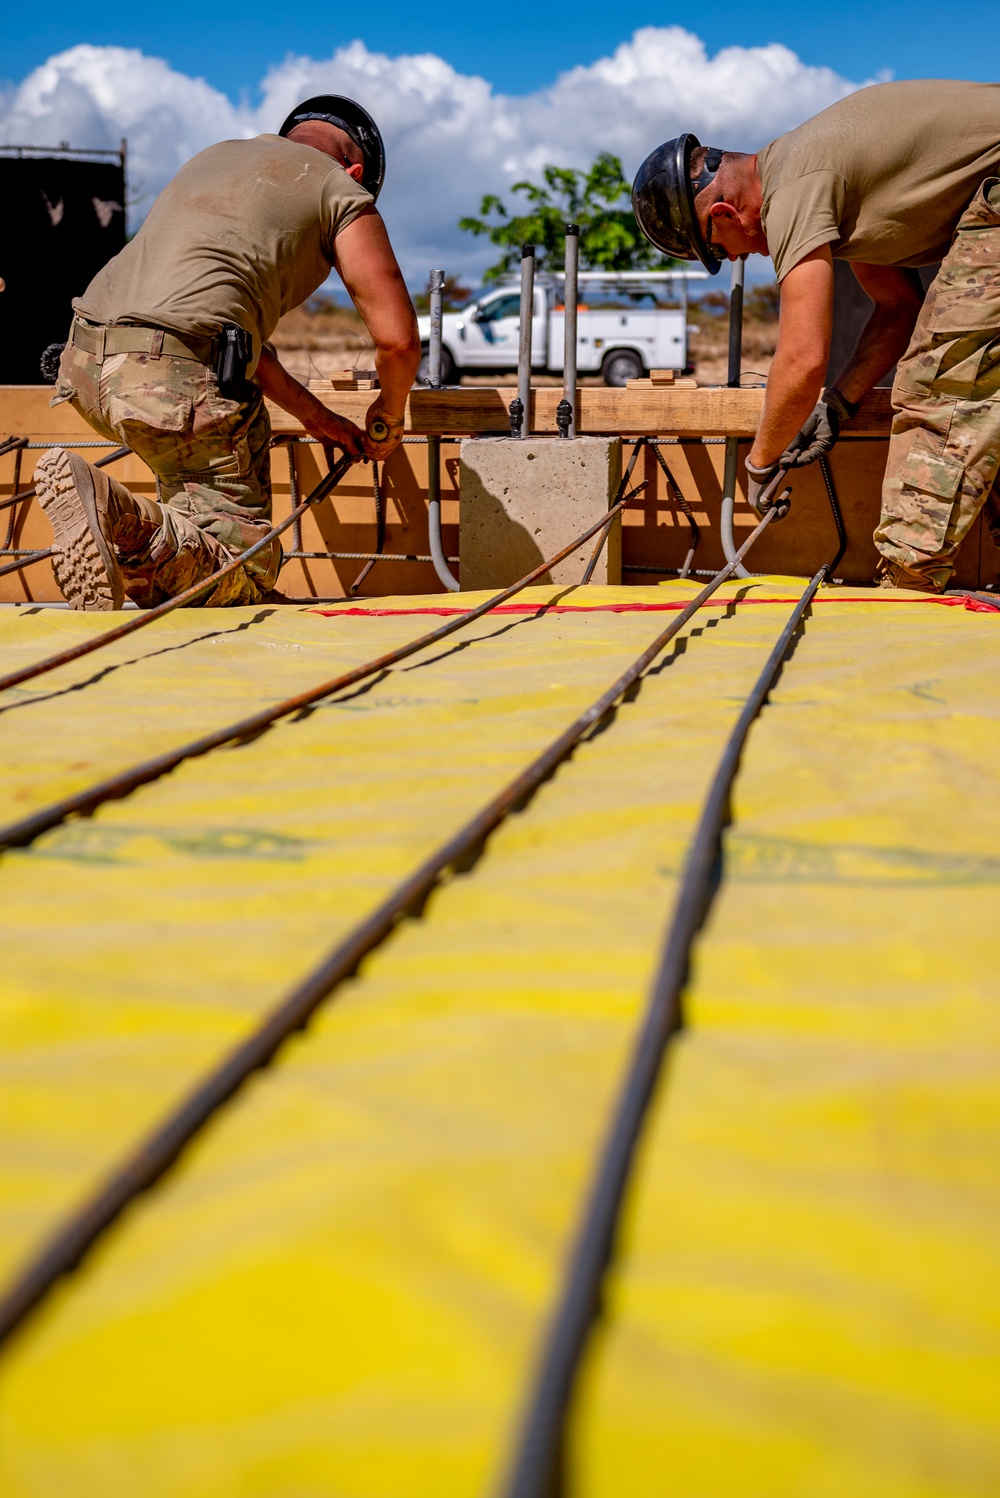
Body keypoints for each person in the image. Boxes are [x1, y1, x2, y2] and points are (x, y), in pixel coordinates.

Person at [40, 94, 420, 610]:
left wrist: (319, 418)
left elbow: (234, 341)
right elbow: (398, 342)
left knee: (211, 483)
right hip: (171, 379)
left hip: (85, 365)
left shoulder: (215, 157)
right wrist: (389, 413)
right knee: (247, 565)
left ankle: (134, 536)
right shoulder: (339, 189)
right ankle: (120, 517)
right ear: (355, 170)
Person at [632, 80, 1000, 592]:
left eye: (719, 250)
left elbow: (803, 358)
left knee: (941, 383)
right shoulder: (826, 186)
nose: (735, 259)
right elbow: (897, 307)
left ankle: (910, 583)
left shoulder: (792, 190)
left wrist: (759, 467)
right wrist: (839, 406)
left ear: (723, 213)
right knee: (982, 386)